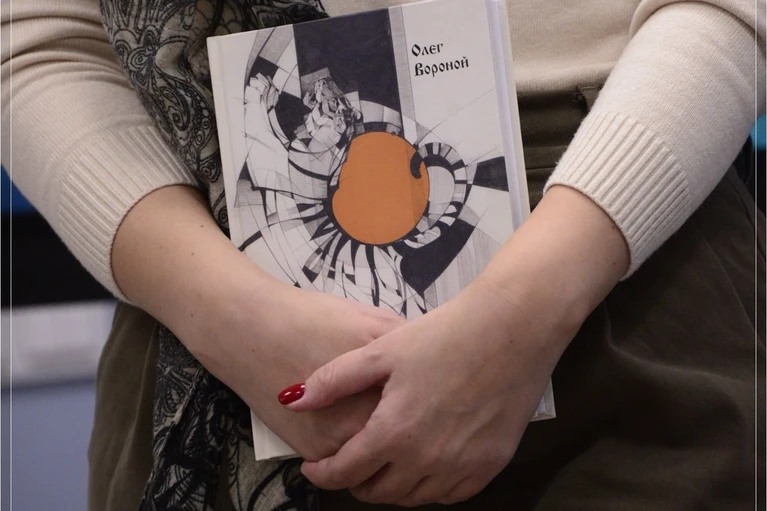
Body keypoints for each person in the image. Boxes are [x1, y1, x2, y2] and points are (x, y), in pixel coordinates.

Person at [2, 0, 764, 509]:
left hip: (618, 249)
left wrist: (523, 310)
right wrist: (226, 313)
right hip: (215, 326)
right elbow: (37, 39)